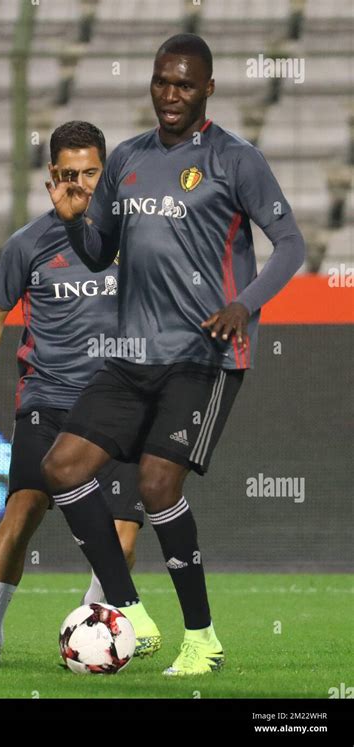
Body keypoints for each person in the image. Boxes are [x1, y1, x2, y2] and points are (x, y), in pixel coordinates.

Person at [43, 34, 305, 676]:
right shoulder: (127, 159)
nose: (170, 94)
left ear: (208, 89)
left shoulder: (235, 159)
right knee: (63, 466)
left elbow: (291, 245)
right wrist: (77, 219)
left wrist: (245, 303)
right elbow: (101, 254)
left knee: (158, 484)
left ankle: (202, 637)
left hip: (205, 355)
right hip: (132, 356)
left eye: (184, 84)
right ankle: (130, 612)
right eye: (162, 81)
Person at [0, 121, 159, 665]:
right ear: (50, 179)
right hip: (50, 399)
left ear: (106, 175)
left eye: (90, 173)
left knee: (125, 533)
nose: (80, 184)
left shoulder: (135, 238)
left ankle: (92, 626)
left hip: (120, 403)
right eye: (69, 174)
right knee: (22, 510)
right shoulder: (28, 244)